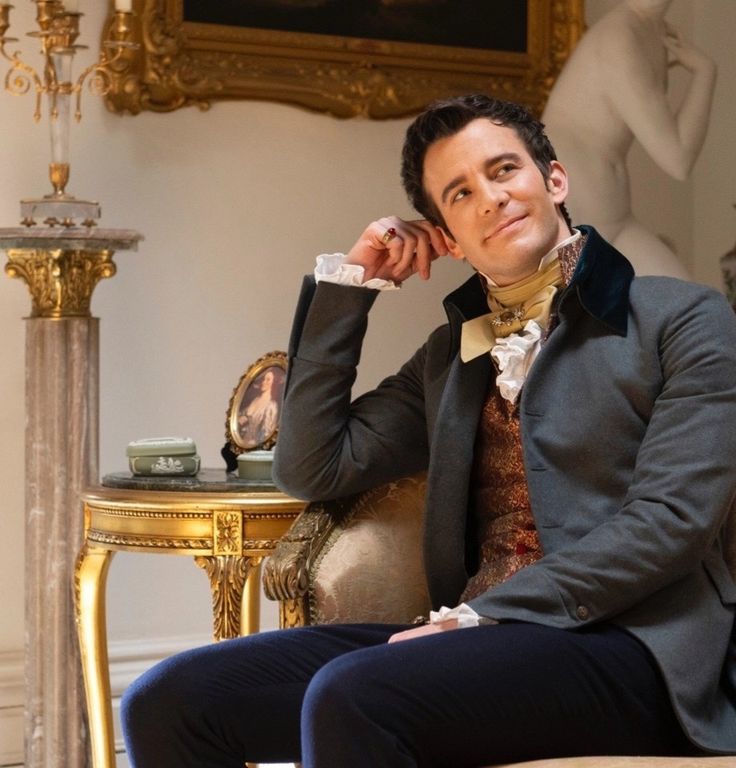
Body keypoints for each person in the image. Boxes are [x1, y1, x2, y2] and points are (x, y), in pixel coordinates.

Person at [121, 94, 736, 767]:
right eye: (461, 193)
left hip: (637, 648)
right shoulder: (451, 356)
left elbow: (671, 521)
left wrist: (479, 616)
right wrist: (351, 285)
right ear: (446, 233)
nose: (492, 199)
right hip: (474, 642)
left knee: (356, 693)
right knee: (170, 697)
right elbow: (314, 466)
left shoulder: (683, 318)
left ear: (554, 180)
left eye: (505, 171)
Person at [541, 0, 716, 279]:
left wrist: (705, 71)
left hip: (612, 203)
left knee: (688, 304)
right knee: (587, 314)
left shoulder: (651, 30)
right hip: (577, 198)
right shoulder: (619, 37)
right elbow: (677, 159)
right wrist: (705, 73)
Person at [238, 368, 280, 448]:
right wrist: (240, 419)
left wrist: (255, 443)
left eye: (268, 380)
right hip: (243, 446)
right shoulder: (255, 400)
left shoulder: (271, 406)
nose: (264, 382)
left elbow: (267, 433)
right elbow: (240, 417)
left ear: (274, 383)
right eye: (264, 379)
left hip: (257, 452)